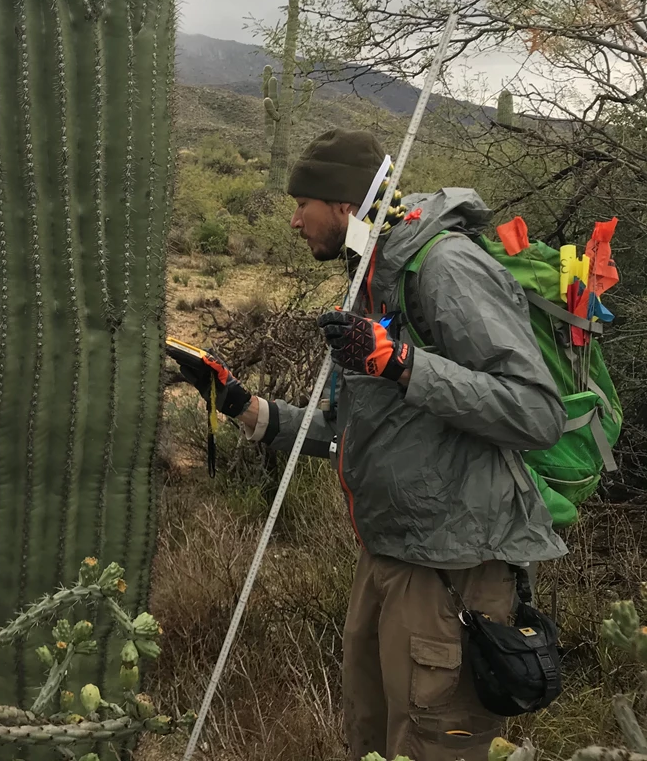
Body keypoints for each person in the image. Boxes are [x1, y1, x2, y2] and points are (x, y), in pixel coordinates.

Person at [195, 129, 567, 761]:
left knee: (433, 745)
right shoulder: (372, 276)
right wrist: (244, 407)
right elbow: (355, 430)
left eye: (302, 204)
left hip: (454, 573)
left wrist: (403, 365)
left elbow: (537, 411)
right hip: (388, 556)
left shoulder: (445, 267)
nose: (293, 221)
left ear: (343, 205)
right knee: (370, 738)